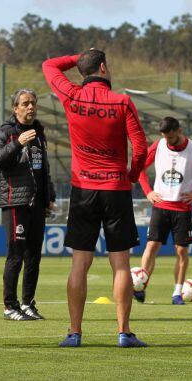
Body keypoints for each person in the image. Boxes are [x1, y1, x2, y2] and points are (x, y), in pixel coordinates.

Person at [42, 49, 149, 348]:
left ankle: (74, 333)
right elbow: (140, 147)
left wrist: (78, 56)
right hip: (116, 188)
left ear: (84, 70)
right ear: (103, 67)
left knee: (80, 262)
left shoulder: (72, 96)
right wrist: (131, 174)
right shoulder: (122, 101)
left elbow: (49, 64)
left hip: (83, 188)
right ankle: (124, 332)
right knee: (121, 264)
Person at [134, 116, 192, 305]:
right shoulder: (158, 145)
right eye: (165, 138)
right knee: (151, 246)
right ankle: (141, 286)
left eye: (171, 138)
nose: (168, 142)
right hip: (160, 206)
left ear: (179, 131)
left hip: (182, 208)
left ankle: (177, 293)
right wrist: (148, 192)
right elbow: (139, 169)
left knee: (181, 250)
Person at [0, 88, 54, 321]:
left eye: (33, 103)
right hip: (16, 201)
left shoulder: (39, 132)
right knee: (15, 254)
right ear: (15, 108)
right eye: (25, 103)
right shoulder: (5, 132)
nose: (30, 107)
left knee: (34, 255)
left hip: (36, 203)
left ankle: (27, 304)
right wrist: (16, 143)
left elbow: (42, 167)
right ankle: (9, 306)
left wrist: (49, 196)